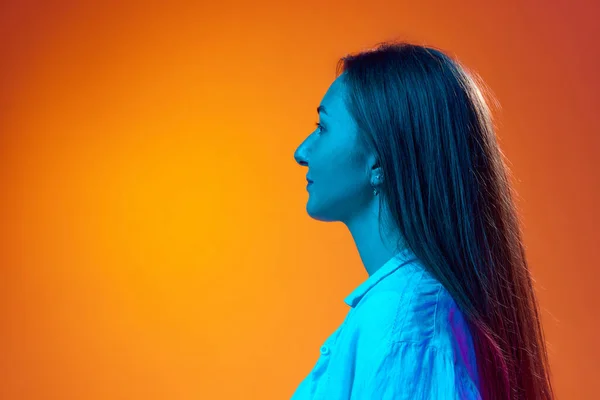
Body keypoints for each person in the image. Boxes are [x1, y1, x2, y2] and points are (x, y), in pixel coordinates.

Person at [291, 41, 554, 400]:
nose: (301, 152)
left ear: (379, 161)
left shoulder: (405, 326)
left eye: (322, 127)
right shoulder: (406, 315)